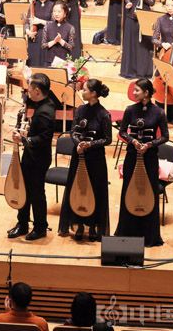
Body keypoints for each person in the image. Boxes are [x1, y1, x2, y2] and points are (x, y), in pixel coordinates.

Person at [114, 79, 167, 247]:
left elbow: (165, 136)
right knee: (128, 190)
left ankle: (149, 235)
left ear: (146, 93)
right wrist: (133, 141)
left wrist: (150, 144)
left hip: (150, 157)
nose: (134, 92)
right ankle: (126, 232)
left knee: (149, 192)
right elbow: (122, 132)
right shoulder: (130, 110)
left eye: (137, 90)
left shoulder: (159, 112)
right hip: (132, 156)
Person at [59, 79, 112, 241]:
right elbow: (73, 131)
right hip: (79, 155)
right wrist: (78, 144)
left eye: (85, 89)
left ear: (94, 93)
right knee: (78, 189)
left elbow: (107, 139)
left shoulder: (104, 114)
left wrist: (89, 144)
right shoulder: (81, 109)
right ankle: (79, 224)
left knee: (94, 190)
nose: (82, 91)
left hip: (95, 159)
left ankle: (93, 225)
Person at [8, 73, 55, 241]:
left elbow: (44, 138)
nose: (27, 91)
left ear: (37, 91)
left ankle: (40, 227)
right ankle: (22, 224)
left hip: (38, 158)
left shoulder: (45, 111)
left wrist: (23, 139)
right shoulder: (42, 102)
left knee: (36, 193)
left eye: (29, 89)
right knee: (24, 190)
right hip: (31, 155)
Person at [120, 0, 155, 79]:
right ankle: (129, 70)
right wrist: (128, 3)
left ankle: (142, 71)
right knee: (130, 43)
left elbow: (152, 2)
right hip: (131, 16)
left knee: (142, 45)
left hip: (144, 18)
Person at [25, 0, 54, 67]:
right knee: (33, 60)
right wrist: (27, 31)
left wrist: (40, 21)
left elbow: (54, 24)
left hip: (46, 36)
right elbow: (27, 21)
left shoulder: (52, 5)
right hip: (33, 35)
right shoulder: (33, 4)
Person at [41, 2, 75, 66]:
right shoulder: (48, 25)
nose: (56, 14)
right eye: (54, 11)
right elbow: (43, 45)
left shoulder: (70, 27)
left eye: (59, 12)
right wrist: (54, 41)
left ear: (65, 14)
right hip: (49, 61)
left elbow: (71, 47)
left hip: (63, 61)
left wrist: (60, 40)